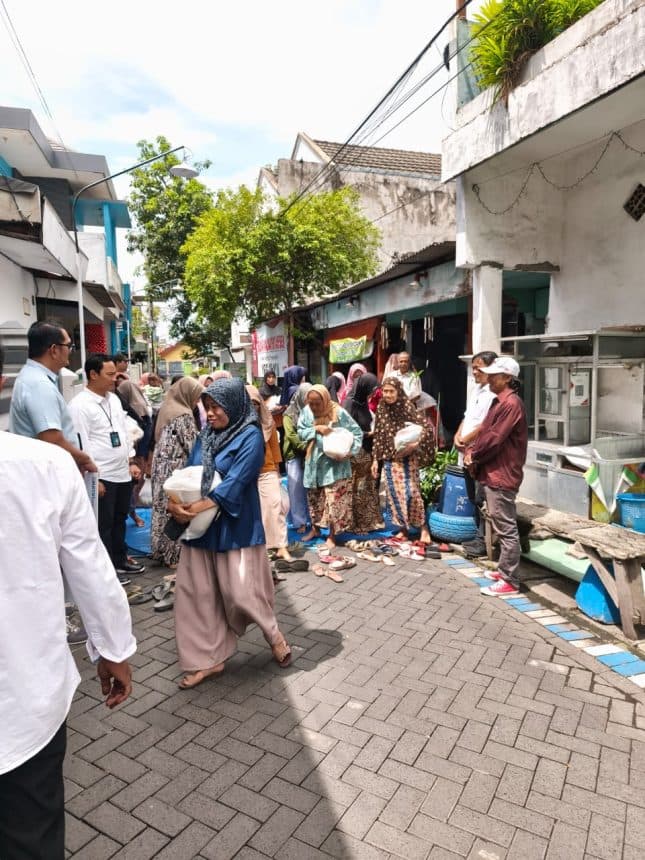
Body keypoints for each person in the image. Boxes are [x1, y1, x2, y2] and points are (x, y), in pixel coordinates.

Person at [0, 345, 135, 860]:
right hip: (24, 705)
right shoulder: (44, 464)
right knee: (30, 835)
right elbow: (88, 567)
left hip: (26, 701)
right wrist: (113, 648)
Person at [168, 378, 292, 689]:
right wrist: (176, 503)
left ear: (234, 405)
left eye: (215, 407)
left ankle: (273, 633)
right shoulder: (207, 435)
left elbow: (235, 483)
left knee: (241, 594)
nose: (209, 414)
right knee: (197, 595)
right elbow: (189, 472)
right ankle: (207, 660)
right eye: (206, 407)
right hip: (200, 529)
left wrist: (193, 509)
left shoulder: (250, 436)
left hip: (235, 526)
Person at [69, 355, 144, 580]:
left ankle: (120, 560)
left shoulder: (113, 399)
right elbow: (80, 443)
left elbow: (124, 432)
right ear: (93, 374)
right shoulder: (79, 405)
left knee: (120, 518)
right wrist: (95, 478)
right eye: (109, 375)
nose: (114, 379)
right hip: (102, 475)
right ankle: (106, 570)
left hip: (121, 472)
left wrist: (131, 461)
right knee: (104, 524)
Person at [465, 356, 528, 597]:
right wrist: (473, 452)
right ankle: (504, 571)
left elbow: (494, 438)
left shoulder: (511, 404)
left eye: (494, 375)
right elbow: (486, 432)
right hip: (493, 472)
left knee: (506, 527)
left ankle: (510, 580)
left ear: (507, 378)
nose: (489, 378)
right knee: (500, 523)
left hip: (502, 474)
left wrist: (475, 455)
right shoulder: (499, 402)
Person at [9, 320, 96, 475]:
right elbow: (52, 438)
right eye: (69, 346)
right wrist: (84, 459)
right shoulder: (38, 384)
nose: (71, 351)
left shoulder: (34, 377)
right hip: (46, 475)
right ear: (54, 350)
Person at [297, 384, 363, 548]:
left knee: (334, 501)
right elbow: (300, 431)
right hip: (314, 462)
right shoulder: (306, 412)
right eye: (310, 403)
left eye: (317, 403)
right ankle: (316, 529)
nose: (313, 407)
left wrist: (351, 451)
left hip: (335, 465)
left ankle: (332, 535)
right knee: (315, 499)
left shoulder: (338, 412)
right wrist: (316, 429)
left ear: (325, 400)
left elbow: (357, 432)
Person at [371, 377, 435, 543]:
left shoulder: (406, 406)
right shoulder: (381, 408)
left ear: (398, 391)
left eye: (391, 391)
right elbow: (378, 435)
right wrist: (375, 460)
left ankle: (423, 528)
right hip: (390, 459)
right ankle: (404, 529)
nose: (388, 395)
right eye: (385, 391)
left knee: (413, 493)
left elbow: (426, 428)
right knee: (395, 495)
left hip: (408, 460)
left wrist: (414, 445)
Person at [150, 377, 204, 568]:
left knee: (161, 508)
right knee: (177, 512)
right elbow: (191, 445)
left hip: (160, 468)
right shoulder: (183, 415)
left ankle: (160, 550)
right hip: (175, 471)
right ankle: (173, 556)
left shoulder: (167, 408)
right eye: (196, 397)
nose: (197, 402)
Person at [455, 351, 498, 558]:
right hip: (465, 451)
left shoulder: (493, 395)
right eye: (473, 367)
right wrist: (458, 434)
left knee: (482, 497)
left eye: (478, 368)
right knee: (473, 496)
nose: (474, 372)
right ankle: (477, 537)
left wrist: (466, 440)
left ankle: (483, 541)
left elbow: (485, 425)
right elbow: (467, 416)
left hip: (478, 454)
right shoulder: (476, 390)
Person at [247, 386, 294, 564]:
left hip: (267, 470)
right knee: (256, 511)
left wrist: (276, 471)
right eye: (249, 404)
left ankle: (281, 546)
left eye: (256, 404)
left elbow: (274, 448)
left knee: (276, 506)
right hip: (246, 474)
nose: (253, 408)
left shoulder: (267, 421)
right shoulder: (237, 423)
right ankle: (262, 546)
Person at [344, 373, 383, 533]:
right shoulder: (349, 404)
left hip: (366, 453)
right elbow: (346, 431)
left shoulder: (362, 404)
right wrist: (369, 434)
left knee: (366, 489)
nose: (373, 394)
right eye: (371, 389)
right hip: (354, 455)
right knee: (357, 489)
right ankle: (355, 524)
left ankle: (368, 522)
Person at [116, 377, 154, 527]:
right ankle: (131, 513)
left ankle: (131, 513)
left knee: (132, 486)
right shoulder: (132, 413)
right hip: (130, 459)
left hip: (133, 458)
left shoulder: (133, 416)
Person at [282, 382, 312, 534]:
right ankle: (299, 521)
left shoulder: (312, 411)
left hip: (310, 454)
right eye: (306, 398)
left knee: (309, 488)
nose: (308, 401)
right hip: (295, 454)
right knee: (296, 489)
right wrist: (305, 447)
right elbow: (291, 435)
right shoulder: (289, 413)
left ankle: (311, 519)